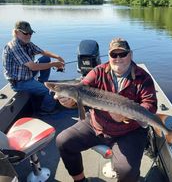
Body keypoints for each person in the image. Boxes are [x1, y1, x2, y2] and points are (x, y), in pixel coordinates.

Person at [55, 38, 157, 182]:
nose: (118, 58)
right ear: (109, 56)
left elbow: (150, 105)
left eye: (122, 54)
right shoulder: (98, 72)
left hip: (129, 131)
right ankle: (80, 180)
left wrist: (125, 115)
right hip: (97, 123)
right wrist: (68, 100)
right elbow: (82, 87)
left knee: (126, 171)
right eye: (114, 55)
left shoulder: (143, 77)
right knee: (63, 141)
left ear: (131, 54)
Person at [2, 20, 65, 114]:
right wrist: (55, 64)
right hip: (19, 82)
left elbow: (42, 52)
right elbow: (33, 67)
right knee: (50, 91)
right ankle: (46, 110)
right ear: (16, 32)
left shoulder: (26, 43)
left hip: (27, 74)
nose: (28, 35)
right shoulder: (14, 46)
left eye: (30, 33)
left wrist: (58, 57)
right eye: (25, 33)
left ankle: (41, 83)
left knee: (45, 58)